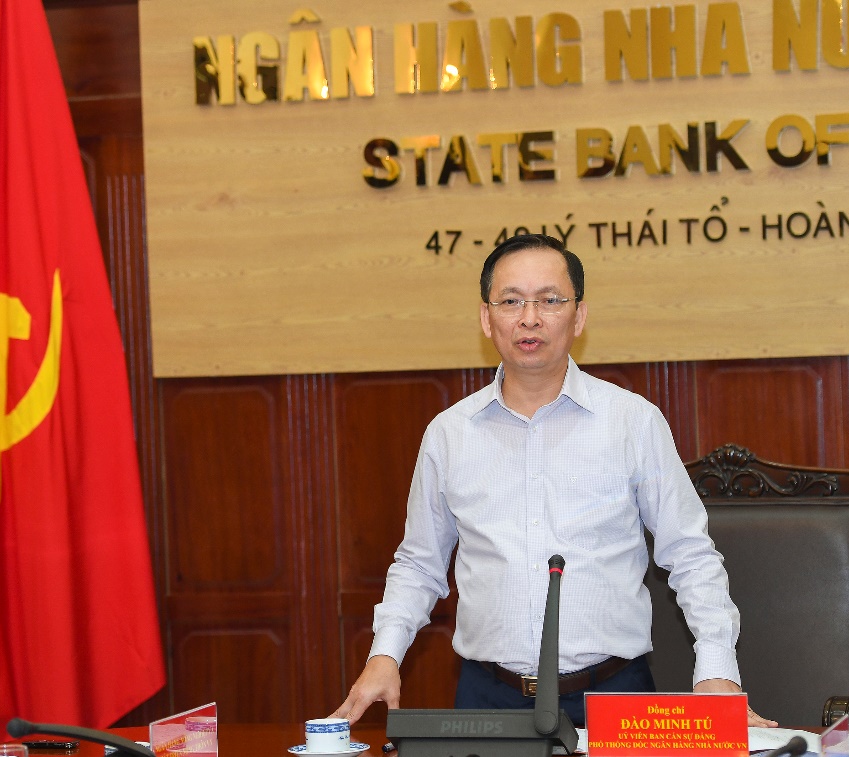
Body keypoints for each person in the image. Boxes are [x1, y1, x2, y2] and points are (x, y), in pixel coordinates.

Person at [332, 234, 775, 728]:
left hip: (613, 695)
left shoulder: (633, 423)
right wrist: (385, 654)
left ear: (578, 316)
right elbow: (419, 564)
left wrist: (716, 670)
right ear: (486, 319)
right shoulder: (449, 435)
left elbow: (690, 554)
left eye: (549, 300)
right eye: (511, 301)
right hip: (486, 698)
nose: (529, 318)